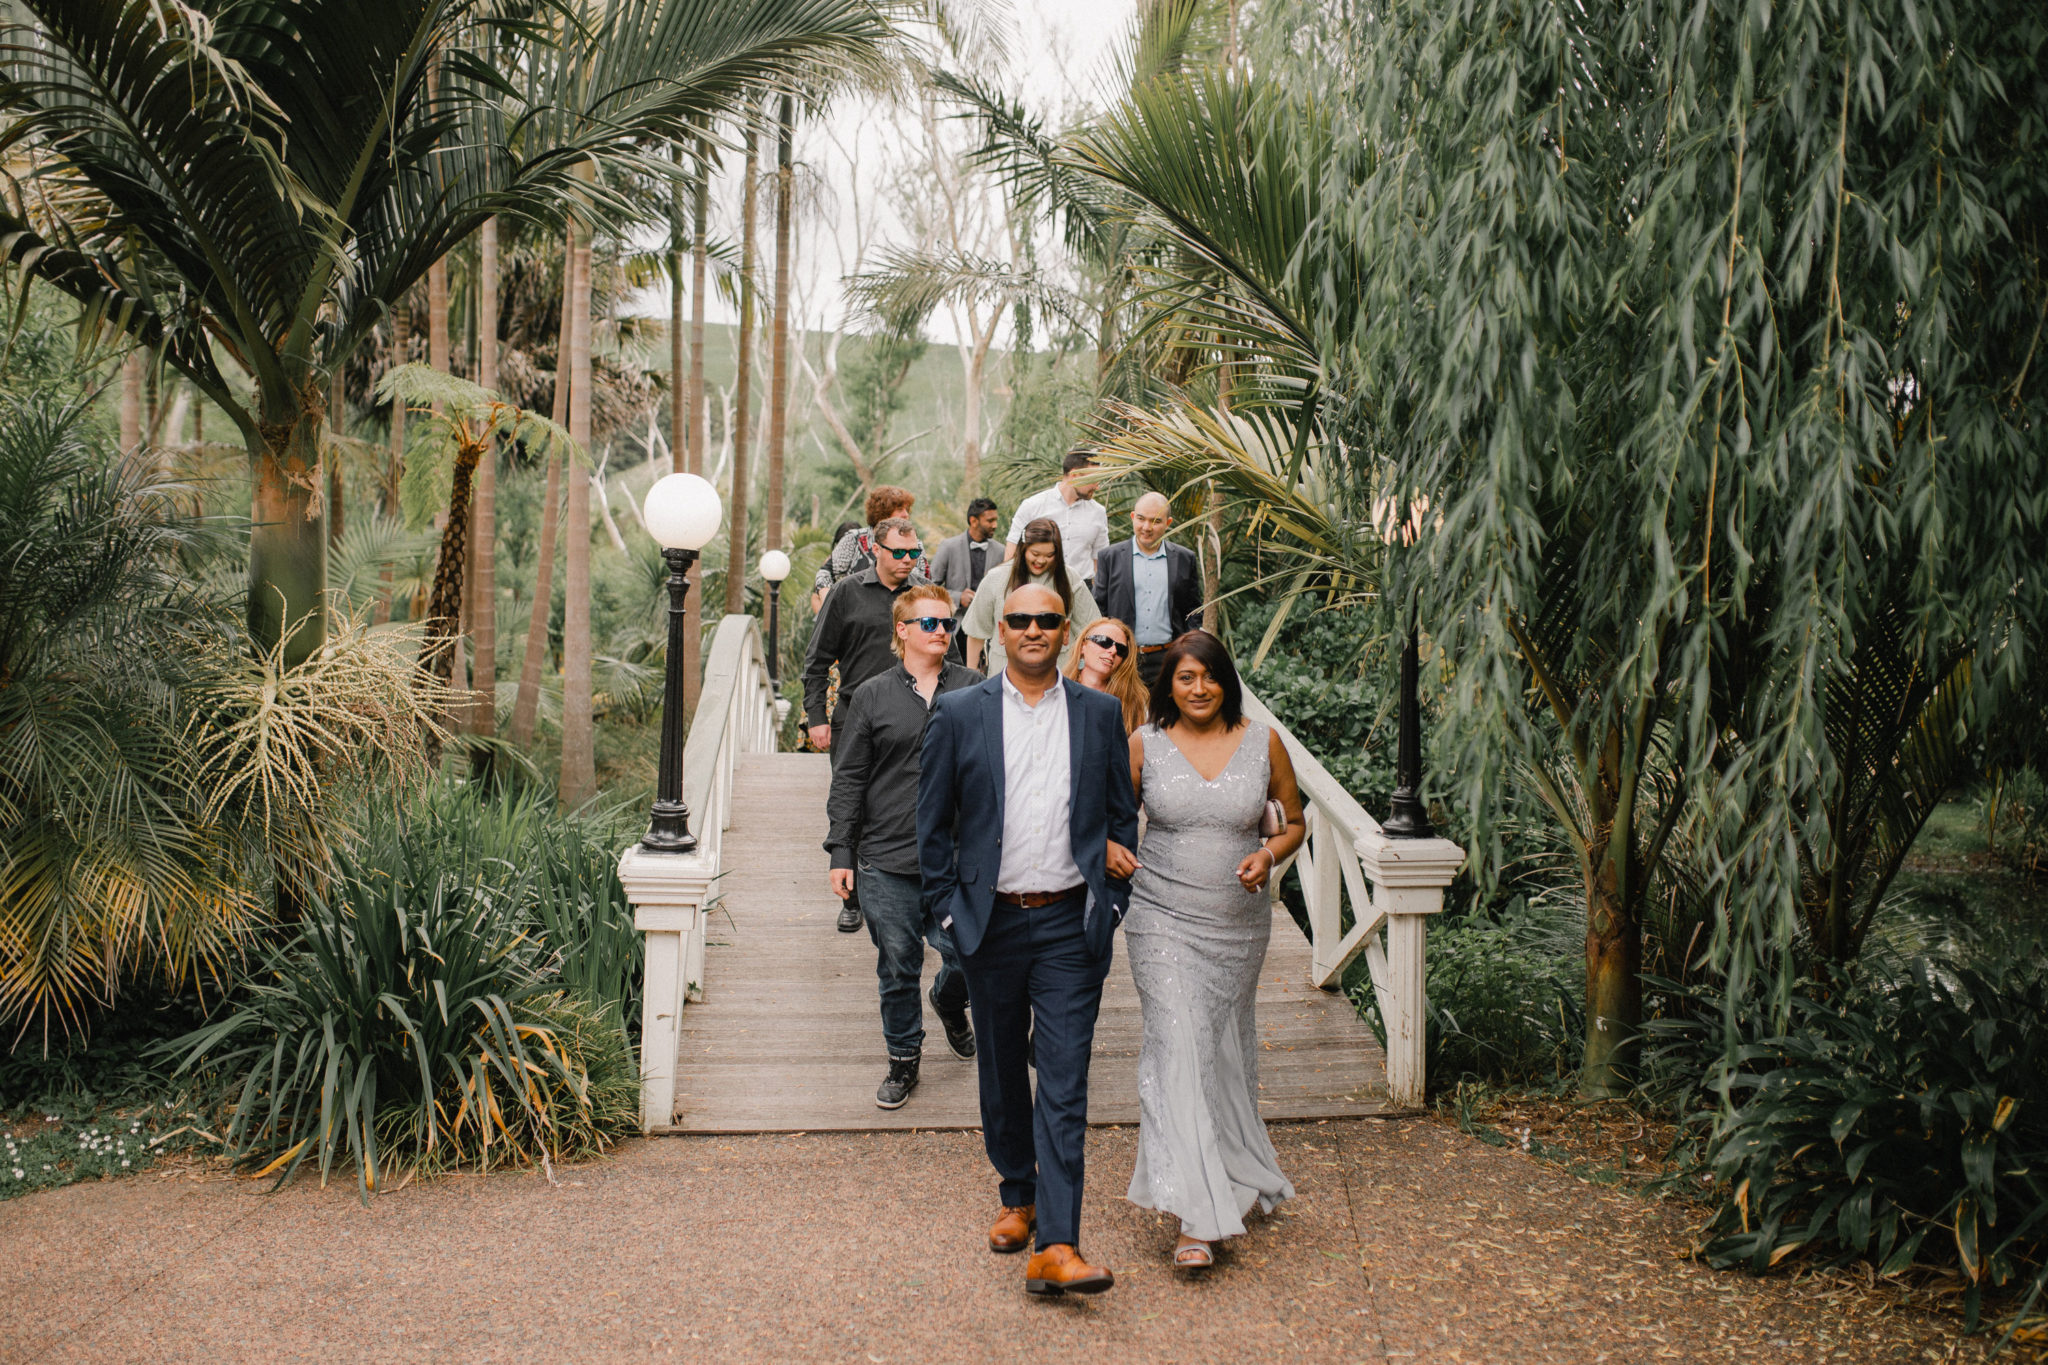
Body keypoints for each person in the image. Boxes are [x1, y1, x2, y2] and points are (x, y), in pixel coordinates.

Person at [917, 583, 1139, 1297]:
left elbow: (1120, 815)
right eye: (1021, 619)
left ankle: (1059, 1242)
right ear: (1000, 629)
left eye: (1048, 619)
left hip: (1071, 923)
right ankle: (1019, 1192)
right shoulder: (958, 712)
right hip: (992, 922)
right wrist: (950, 918)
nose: (1035, 629)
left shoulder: (1100, 714)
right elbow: (931, 829)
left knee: (1066, 1077)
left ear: (1064, 629)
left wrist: (1114, 899)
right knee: (1004, 1069)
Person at [1114, 631, 1307, 1269]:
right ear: (1168, 685)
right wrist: (1113, 850)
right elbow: (1111, 818)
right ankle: (1197, 1218)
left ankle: (1231, 1164)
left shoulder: (1262, 742)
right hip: (1160, 919)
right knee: (1179, 1046)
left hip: (1238, 927)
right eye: (1185, 678)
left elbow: (1295, 820)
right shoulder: (1146, 744)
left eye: (1209, 677)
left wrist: (1269, 853)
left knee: (1221, 1051)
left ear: (1226, 680)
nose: (1199, 689)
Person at [824, 583, 982, 1109]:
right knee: (897, 966)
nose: (942, 631)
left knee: (968, 957)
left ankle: (948, 1001)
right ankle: (903, 1061)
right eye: (930, 623)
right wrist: (841, 851)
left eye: (948, 624)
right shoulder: (871, 694)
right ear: (903, 630)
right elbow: (848, 778)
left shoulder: (976, 689)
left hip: (959, 860)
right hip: (885, 858)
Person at [802, 515, 925, 933]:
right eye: (901, 552)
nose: (909, 560)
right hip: (853, 718)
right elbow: (817, 660)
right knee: (852, 802)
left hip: (915, 720)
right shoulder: (845, 593)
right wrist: (816, 718)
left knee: (908, 800)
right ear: (875, 550)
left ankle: (907, 891)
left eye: (915, 553)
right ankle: (851, 896)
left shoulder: (923, 599)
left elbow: (952, 660)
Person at [959, 518, 1100, 675]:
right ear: (1023, 549)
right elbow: (976, 633)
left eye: (1049, 555)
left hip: (1059, 674)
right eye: (1035, 553)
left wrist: (1086, 672)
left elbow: (1092, 630)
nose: (1041, 560)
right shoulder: (996, 578)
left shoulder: (1070, 578)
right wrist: (971, 678)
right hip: (1004, 674)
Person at [1092, 491, 1202, 688]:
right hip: (1123, 658)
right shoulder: (1110, 557)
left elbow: (1193, 610)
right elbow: (1099, 609)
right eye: (1141, 519)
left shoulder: (1185, 559)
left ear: (1168, 523)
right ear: (1133, 517)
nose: (1146, 527)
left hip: (1169, 659)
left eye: (1156, 521)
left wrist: (1187, 650)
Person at [1004, 450, 1110, 583]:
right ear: (1074, 475)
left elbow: (1100, 560)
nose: (1097, 486)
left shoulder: (1098, 512)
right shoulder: (1032, 506)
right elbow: (1011, 556)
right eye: (1093, 480)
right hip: (1038, 589)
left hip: (1083, 589)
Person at [812, 486, 925, 599]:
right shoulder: (854, 539)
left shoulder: (915, 545)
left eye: (907, 509)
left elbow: (920, 581)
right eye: (900, 509)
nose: (906, 514)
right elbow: (825, 574)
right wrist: (829, 601)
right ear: (882, 512)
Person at [928, 497, 1000, 663]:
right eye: (990, 520)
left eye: (995, 520)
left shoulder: (1001, 551)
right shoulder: (948, 546)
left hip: (988, 629)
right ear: (973, 521)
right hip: (955, 627)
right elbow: (929, 587)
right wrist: (957, 597)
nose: (995, 525)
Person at [1064, 616, 1147, 734]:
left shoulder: (1134, 702)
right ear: (1083, 646)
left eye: (1120, 649)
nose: (1113, 651)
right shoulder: (1058, 689)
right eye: (1104, 641)